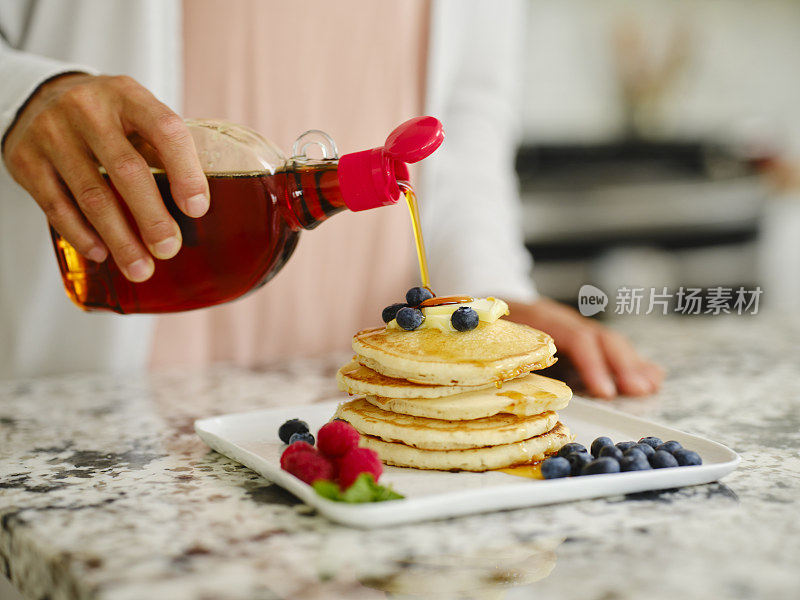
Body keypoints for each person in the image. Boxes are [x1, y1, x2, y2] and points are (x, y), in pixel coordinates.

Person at [1, 0, 662, 397]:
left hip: (359, 393)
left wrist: (488, 294)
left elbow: (464, 117)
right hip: (105, 358)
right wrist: (23, 94)